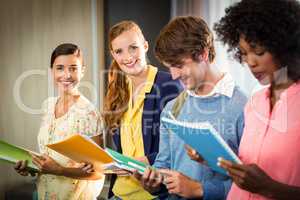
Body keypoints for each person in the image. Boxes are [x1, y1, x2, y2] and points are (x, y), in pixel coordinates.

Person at [134, 16, 247, 200]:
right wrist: (153, 184)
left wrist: (199, 189)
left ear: (202, 53)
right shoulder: (172, 108)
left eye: (179, 65)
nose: (174, 75)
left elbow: (251, 185)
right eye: (170, 67)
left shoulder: (244, 108)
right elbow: (163, 167)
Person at [213, 0, 300, 199]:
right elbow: (248, 164)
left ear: (285, 47)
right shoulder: (254, 103)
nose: (250, 62)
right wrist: (213, 157)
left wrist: (269, 188)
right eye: (243, 53)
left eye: (259, 52)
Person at [103, 20, 182, 200]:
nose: (128, 57)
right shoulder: (118, 89)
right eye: (119, 51)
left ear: (145, 46)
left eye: (133, 47)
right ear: (113, 55)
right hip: (119, 193)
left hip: (153, 194)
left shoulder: (169, 84)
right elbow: (123, 149)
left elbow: (178, 147)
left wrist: (140, 162)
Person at [14, 43, 104, 200]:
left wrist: (59, 170)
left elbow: (98, 172)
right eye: (60, 68)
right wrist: (31, 167)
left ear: (83, 71)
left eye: (73, 68)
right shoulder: (47, 106)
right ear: (51, 71)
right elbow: (48, 158)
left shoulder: (89, 113)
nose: (66, 75)